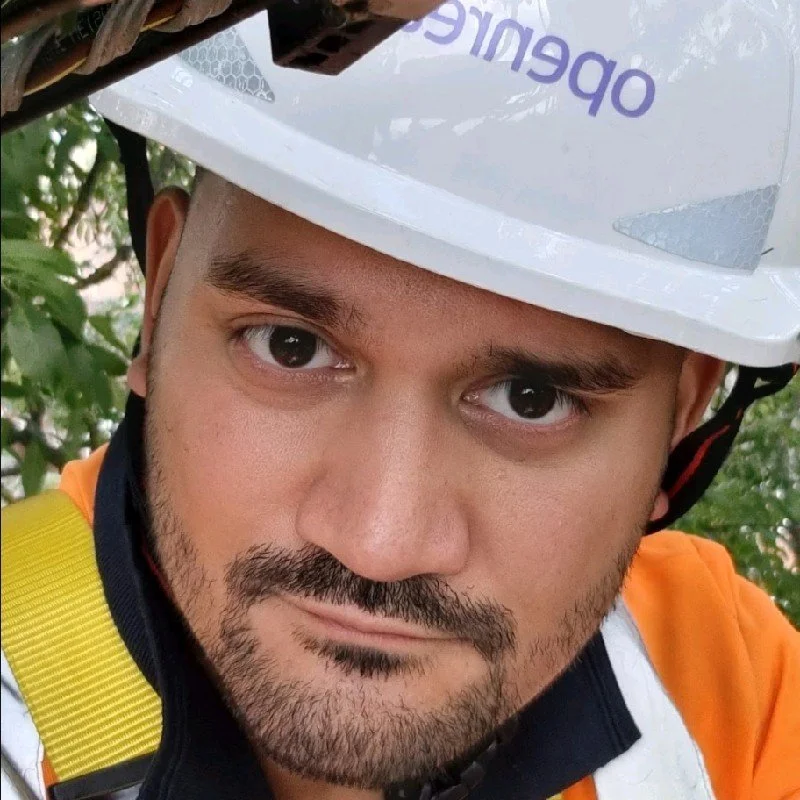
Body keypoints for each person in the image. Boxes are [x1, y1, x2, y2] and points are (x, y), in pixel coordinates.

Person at [2, 2, 799, 799]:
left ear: (684, 417)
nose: (379, 543)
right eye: (290, 346)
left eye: (531, 398)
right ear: (159, 294)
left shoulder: (727, 682)